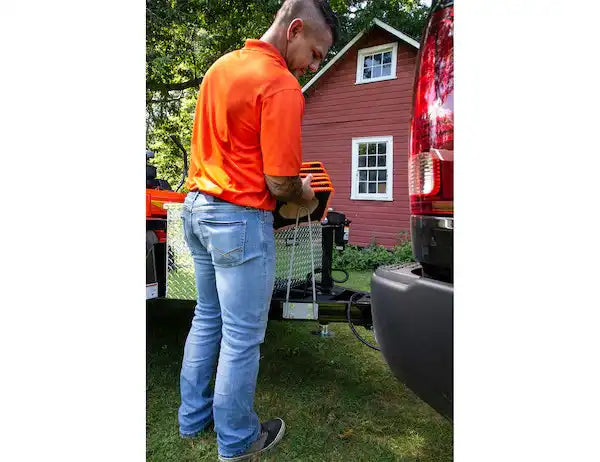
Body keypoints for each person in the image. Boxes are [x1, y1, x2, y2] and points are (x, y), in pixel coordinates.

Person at [177, 1, 339, 460]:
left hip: (197, 209)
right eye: (316, 53)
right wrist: (307, 194)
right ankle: (237, 440)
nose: (314, 65)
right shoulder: (281, 84)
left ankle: (192, 419)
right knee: (242, 336)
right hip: (239, 221)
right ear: (295, 29)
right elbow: (281, 183)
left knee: (206, 318)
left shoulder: (221, 68)